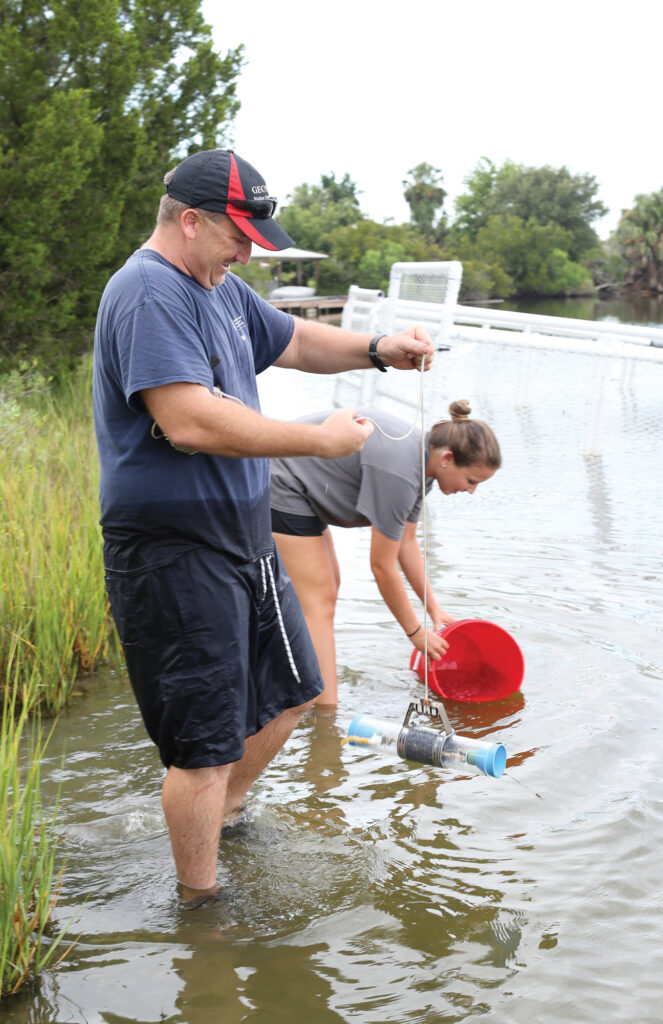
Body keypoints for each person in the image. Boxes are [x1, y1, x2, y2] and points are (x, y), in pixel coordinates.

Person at [91, 147, 434, 905]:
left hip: (243, 537)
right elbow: (186, 419)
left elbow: (298, 340)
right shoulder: (150, 291)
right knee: (203, 747)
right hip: (173, 548)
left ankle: (223, 814)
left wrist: (380, 351)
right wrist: (318, 440)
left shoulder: (221, 287)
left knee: (293, 696)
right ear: (188, 221)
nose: (247, 252)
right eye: (238, 236)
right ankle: (199, 909)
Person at [270, 400, 501, 705]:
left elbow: (406, 543)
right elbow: (381, 566)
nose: (471, 491)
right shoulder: (402, 472)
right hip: (279, 480)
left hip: (302, 490)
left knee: (326, 592)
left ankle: (304, 684)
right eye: (471, 481)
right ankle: (324, 713)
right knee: (319, 601)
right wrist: (415, 632)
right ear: (447, 458)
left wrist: (432, 608)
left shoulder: (424, 467)